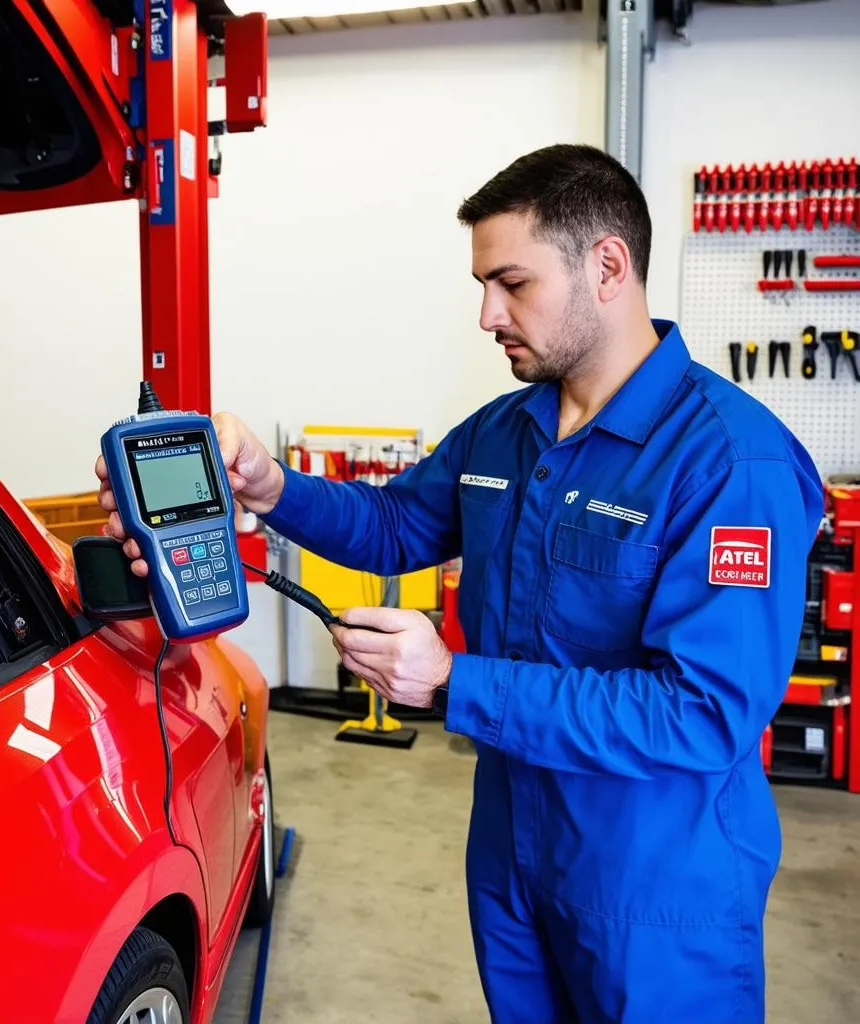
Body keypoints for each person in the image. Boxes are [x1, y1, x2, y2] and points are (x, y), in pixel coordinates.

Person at [96, 143, 825, 1024]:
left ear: (607, 266)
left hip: (656, 888)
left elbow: (703, 713)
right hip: (514, 857)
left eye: (511, 283)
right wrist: (269, 488)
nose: (487, 314)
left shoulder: (728, 460)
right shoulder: (506, 431)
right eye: (482, 285)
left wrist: (453, 681)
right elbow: (398, 524)